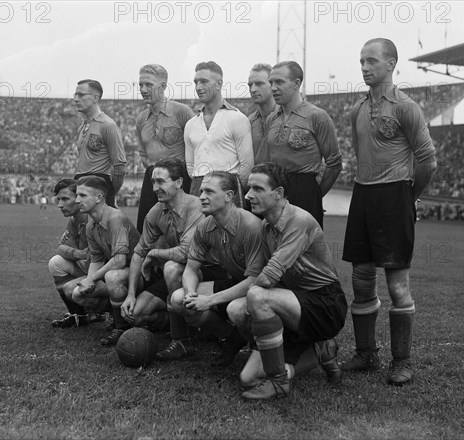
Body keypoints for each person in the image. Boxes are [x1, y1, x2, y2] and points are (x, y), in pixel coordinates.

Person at [341, 38, 437, 386]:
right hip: (363, 196)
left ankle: (402, 361)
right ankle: (366, 353)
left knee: (397, 284)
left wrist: (411, 194)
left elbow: (427, 160)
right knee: (362, 279)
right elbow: (360, 154)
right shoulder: (356, 109)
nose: (365, 68)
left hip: (396, 194)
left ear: (392, 63)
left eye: (372, 61)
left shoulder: (407, 107)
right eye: (361, 61)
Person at [230, 163, 347, 400]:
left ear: (279, 194)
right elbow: (262, 274)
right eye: (248, 188)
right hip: (292, 301)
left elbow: (267, 277)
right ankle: (320, 349)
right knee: (247, 375)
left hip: (325, 303)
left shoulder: (299, 220)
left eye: (257, 188)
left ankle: (279, 382)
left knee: (256, 297)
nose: (249, 195)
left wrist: (246, 301)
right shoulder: (266, 226)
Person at [160, 171, 264, 366]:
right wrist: (191, 293)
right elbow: (190, 269)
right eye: (201, 191)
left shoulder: (251, 226)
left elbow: (254, 281)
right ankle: (229, 336)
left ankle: (261, 345)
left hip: (261, 290)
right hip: (234, 283)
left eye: (209, 191)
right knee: (179, 299)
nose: (201, 197)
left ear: (229, 196)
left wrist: (209, 300)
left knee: (236, 310)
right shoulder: (205, 226)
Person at [120, 158, 204, 337]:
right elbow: (138, 252)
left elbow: (185, 253)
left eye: (160, 182)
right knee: (134, 315)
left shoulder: (195, 206)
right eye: (152, 182)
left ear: (179, 182)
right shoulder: (156, 211)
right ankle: (176, 320)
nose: (154, 188)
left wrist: (154, 253)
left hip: (204, 271)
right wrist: (131, 294)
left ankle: (182, 339)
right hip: (177, 274)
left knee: (171, 267)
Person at [265, 61, 342, 228]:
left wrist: (314, 195)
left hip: (304, 189)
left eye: (279, 82)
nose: (273, 88)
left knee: (305, 250)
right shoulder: (271, 118)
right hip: (276, 190)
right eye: (271, 82)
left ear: (297, 83)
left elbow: (334, 164)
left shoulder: (317, 116)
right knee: (275, 247)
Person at [65, 176, 140, 345]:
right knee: (73, 291)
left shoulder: (115, 218)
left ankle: (121, 328)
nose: (77, 200)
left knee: (113, 277)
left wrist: (92, 279)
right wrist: (89, 284)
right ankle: (116, 315)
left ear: (99, 198)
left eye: (83, 196)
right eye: (77, 195)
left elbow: (120, 261)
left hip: (138, 275)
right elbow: (97, 259)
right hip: (119, 274)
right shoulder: (92, 224)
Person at [184, 61, 254, 207]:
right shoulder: (191, 124)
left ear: (218, 84)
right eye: (196, 82)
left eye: (204, 82)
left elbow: (246, 167)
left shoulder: (237, 118)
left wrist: (229, 188)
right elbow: (190, 167)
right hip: (198, 186)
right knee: (199, 229)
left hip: (228, 188)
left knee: (230, 229)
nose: (198, 87)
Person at [135, 64, 194, 233]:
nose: (144, 89)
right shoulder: (141, 119)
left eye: (149, 85)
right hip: (152, 176)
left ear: (163, 86)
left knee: (180, 228)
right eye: (141, 85)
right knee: (146, 227)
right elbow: (142, 153)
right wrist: (155, 173)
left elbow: (195, 143)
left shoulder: (181, 112)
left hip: (179, 178)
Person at [48, 178, 101, 328]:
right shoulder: (74, 220)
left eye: (65, 199)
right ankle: (78, 314)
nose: (60, 205)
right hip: (88, 266)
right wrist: (79, 253)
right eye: (58, 199)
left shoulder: (95, 219)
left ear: (78, 197)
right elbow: (60, 248)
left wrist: (77, 253)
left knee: (71, 288)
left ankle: (105, 312)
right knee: (55, 262)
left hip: (104, 272)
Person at [73, 79, 126, 207]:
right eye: (75, 95)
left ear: (95, 98)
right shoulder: (82, 126)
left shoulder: (108, 125)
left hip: (97, 187)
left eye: (80, 95)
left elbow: (119, 166)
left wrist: (110, 193)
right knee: (80, 226)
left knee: (98, 226)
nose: (75, 99)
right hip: (80, 185)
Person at [247, 63, 277, 164]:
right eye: (250, 85)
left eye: (259, 84)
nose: (253, 89)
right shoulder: (249, 122)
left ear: (273, 85)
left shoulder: (288, 117)